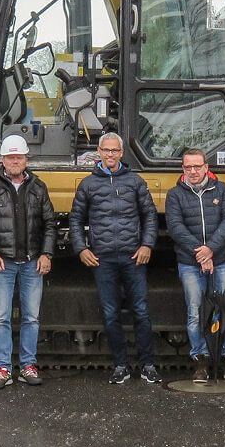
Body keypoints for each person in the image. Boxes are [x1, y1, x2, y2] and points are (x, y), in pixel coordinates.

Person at [68, 133, 161, 385]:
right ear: (99, 151)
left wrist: (147, 245)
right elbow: (75, 220)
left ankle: (147, 364)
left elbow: (149, 216)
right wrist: (81, 248)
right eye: (106, 150)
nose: (110, 155)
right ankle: (120, 365)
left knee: (141, 311)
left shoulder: (135, 182)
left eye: (115, 151)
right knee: (110, 314)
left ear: (122, 153)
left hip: (134, 257)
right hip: (103, 259)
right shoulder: (87, 185)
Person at [0, 134, 56, 390]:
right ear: (3, 160)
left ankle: (28, 366)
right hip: (3, 264)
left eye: (19, 156)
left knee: (31, 317)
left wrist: (46, 254)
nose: (15, 161)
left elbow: (50, 224)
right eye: (10, 157)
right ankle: (3, 368)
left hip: (32, 263)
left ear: (26, 158)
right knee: (1, 318)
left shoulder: (38, 187)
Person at [166, 148, 225, 384]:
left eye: (197, 166)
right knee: (194, 312)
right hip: (190, 263)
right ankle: (199, 360)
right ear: (183, 168)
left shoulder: (221, 190)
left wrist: (211, 249)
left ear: (206, 167)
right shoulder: (174, 195)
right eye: (188, 167)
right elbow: (175, 227)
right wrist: (201, 253)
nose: (193, 171)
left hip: (220, 261)